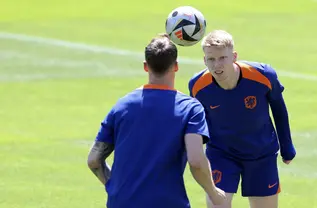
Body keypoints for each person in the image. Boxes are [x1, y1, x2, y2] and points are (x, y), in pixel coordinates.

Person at [87, 34, 226, 208]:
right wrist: (214, 193)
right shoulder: (190, 108)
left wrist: (113, 186)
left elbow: (94, 159)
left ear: (146, 66)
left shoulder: (122, 105)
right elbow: (196, 161)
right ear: (176, 66)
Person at [188, 30, 296, 208]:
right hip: (221, 154)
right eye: (211, 59)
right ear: (204, 60)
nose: (217, 65)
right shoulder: (198, 85)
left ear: (234, 57)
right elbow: (198, 123)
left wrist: (287, 146)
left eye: (223, 58)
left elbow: (279, 108)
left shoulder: (263, 75)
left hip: (261, 154)